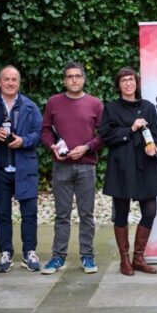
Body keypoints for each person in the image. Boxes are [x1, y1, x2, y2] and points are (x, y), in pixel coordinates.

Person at [100, 67, 157, 276]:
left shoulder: (148, 107)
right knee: (121, 213)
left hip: (146, 166)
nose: (128, 84)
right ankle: (124, 260)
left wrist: (155, 147)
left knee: (150, 212)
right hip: (121, 167)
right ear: (118, 85)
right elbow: (105, 136)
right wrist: (130, 129)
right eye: (124, 81)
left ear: (136, 83)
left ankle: (138, 257)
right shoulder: (111, 108)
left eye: (131, 80)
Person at [40, 62, 103, 275]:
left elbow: (103, 135)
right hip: (61, 166)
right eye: (69, 76)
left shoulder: (95, 104)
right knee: (62, 214)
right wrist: (52, 146)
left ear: (83, 79)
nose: (74, 80)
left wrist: (87, 147)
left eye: (77, 76)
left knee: (86, 214)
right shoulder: (54, 102)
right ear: (64, 80)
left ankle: (87, 256)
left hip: (86, 167)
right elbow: (46, 131)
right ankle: (58, 257)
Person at [0, 66, 43, 273]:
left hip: (24, 167)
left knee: (29, 213)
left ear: (19, 83)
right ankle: (5, 253)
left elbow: (39, 134)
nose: (10, 83)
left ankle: (29, 252)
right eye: (6, 79)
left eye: (14, 80)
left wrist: (23, 141)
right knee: (3, 215)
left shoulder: (30, 106)